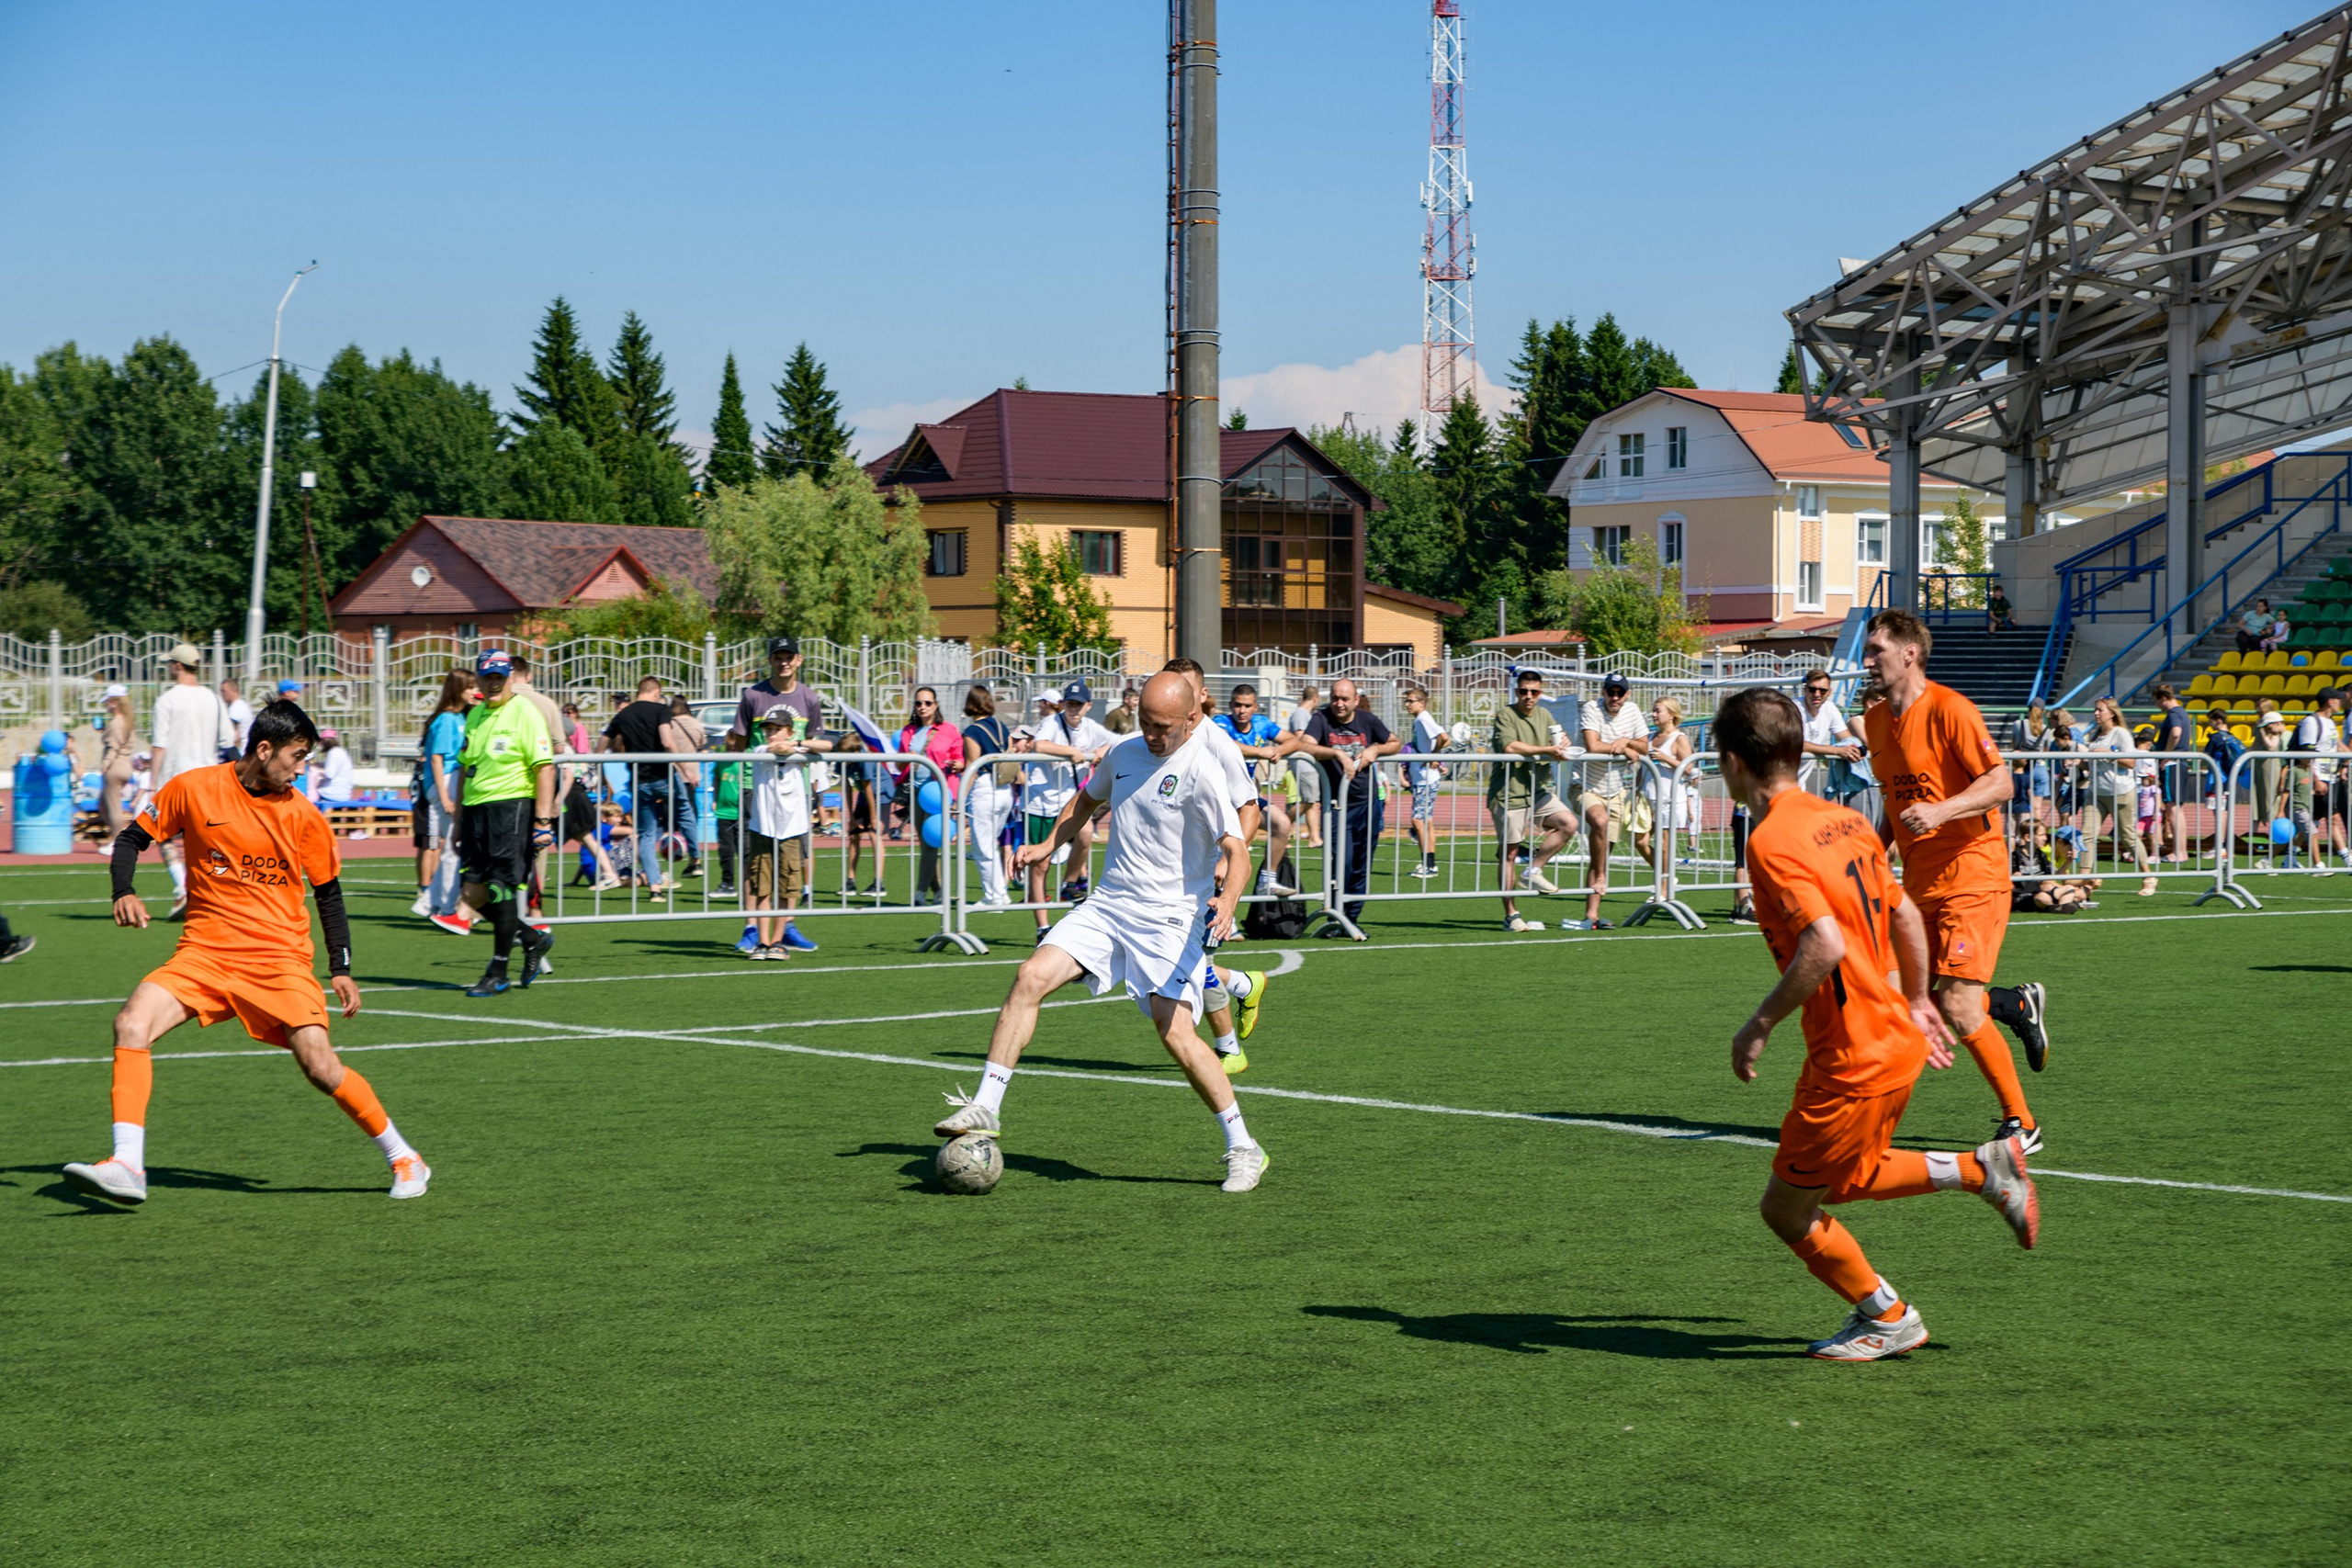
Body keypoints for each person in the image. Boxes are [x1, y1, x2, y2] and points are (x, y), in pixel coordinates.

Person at [1715, 685, 2037, 1360]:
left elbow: (1824, 945)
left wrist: (1759, 1023)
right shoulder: (1848, 819)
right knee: (1844, 1176)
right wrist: (1918, 1001)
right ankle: (1986, 1169)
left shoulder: (1771, 839)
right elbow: (1906, 915)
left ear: (1735, 761)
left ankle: (1888, 1316)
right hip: (1896, 1037)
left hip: (1852, 1055)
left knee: (1787, 1208)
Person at [62, 698, 431, 1207]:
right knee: (131, 1024)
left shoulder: (304, 815)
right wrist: (122, 890)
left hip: (279, 961)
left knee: (321, 1067)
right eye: (298, 756)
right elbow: (130, 839)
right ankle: (127, 1163)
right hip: (205, 954)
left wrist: (341, 968)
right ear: (264, 749)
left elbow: (328, 893)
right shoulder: (193, 788)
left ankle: (405, 1156)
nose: (303, 769)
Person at [929, 671, 1270, 1192]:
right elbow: (1086, 803)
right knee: (1030, 977)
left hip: (1169, 917)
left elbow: (1237, 848)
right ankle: (986, 1107)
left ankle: (1243, 1146)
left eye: (1162, 727)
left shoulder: (1203, 769)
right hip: (1110, 905)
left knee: (1174, 1033)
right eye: (1144, 723)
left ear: (1188, 720)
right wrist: (1049, 847)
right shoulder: (1124, 754)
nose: (1152, 735)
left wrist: (1227, 898)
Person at [1858, 610, 2052, 1151]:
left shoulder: (1951, 709)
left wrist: (1943, 811)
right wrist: (1873, 857)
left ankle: (2023, 1123)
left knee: (1959, 1006)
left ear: (1909, 653)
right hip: (1917, 883)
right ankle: (2013, 1006)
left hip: (1974, 871)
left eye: (1876, 649)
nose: (1867, 659)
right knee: (1907, 1001)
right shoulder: (1875, 722)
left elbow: (2001, 783)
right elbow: (1897, 804)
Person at [456, 649, 558, 998]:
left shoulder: (525, 713)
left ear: (511, 677)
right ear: (479, 679)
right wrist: (457, 821)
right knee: (471, 894)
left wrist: (543, 822)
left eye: (500, 676)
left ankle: (498, 971)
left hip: (511, 808)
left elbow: (544, 767)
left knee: (501, 890)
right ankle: (532, 938)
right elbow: (464, 768)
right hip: (475, 811)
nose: (494, 682)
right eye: (488, 677)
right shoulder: (475, 716)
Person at [1294, 677, 1398, 936]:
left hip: (1368, 802)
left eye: (1344, 699)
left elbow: (1395, 742)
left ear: (1355, 700)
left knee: (1362, 863)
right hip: (1336, 805)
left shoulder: (1367, 720)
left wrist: (1376, 749)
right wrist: (1337, 753)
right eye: (1335, 698)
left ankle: (1350, 918)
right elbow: (1304, 744)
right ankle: (1335, 913)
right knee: (1344, 862)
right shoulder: (1321, 719)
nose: (1339, 704)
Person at [1024, 681, 1119, 936]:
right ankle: (1042, 927)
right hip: (1039, 801)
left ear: (1088, 706)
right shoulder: (1052, 722)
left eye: (1079, 704)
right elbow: (1039, 745)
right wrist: (1070, 752)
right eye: (1070, 703)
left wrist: (1102, 749)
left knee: (1086, 833)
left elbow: (1120, 741)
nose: (1074, 708)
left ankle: (1070, 882)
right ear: (1063, 704)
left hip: (1068, 800)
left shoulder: (1090, 727)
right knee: (1040, 865)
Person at [148, 643, 233, 919]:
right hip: (208, 778)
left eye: (169, 664)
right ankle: (215, 894)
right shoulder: (214, 699)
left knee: (162, 835)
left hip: (176, 779)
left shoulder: (167, 700)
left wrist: (152, 785)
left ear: (177, 666)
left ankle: (183, 886)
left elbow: (159, 745)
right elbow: (228, 741)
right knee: (205, 840)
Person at [1488, 669, 1574, 933]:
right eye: (1524, 691)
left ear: (1541, 692)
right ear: (1516, 691)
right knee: (1510, 853)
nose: (1529, 696)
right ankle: (1511, 914)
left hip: (1537, 791)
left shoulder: (1545, 715)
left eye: (1534, 692)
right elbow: (1510, 747)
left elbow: (1557, 743)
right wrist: (1548, 750)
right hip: (1509, 792)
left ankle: (1533, 871)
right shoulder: (1506, 714)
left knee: (1568, 823)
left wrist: (1562, 747)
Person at [1571, 672, 1651, 931]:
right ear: (1603, 692)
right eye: (1610, 692)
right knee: (1600, 821)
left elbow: (1645, 747)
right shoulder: (1592, 708)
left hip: (1616, 790)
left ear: (1627, 694)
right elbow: (1593, 745)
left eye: (1619, 693)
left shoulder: (1632, 710)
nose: (1614, 697)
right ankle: (1602, 876)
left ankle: (1592, 915)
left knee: (1604, 852)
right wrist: (1627, 750)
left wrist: (1626, 741)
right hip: (1584, 784)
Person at [742, 705, 819, 958]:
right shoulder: (759, 750)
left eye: (777, 729)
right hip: (762, 827)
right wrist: (790, 747)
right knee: (762, 886)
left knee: (787, 887)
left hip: (792, 829)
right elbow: (774, 749)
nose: (771, 734)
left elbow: (827, 746)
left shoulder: (799, 749)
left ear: (789, 730)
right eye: (768, 730)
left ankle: (777, 941)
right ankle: (762, 942)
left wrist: (796, 744)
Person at [605, 677, 686, 897]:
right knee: (684, 808)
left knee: (646, 835)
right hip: (663, 778)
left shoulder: (623, 715)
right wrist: (684, 767)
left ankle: (655, 888)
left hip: (639, 782)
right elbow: (668, 742)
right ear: (657, 691)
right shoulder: (661, 710)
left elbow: (602, 744)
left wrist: (591, 760)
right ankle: (695, 859)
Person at [1216, 683, 1295, 896]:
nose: (1242, 710)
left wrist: (1279, 750)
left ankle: (1266, 881)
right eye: (1238, 705)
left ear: (1255, 707)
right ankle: (1225, 921)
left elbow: (1293, 740)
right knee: (1221, 856)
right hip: (1220, 799)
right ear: (1231, 705)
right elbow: (1225, 743)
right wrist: (1260, 752)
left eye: (1247, 706)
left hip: (1247, 799)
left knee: (1282, 823)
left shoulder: (1262, 724)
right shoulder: (1220, 723)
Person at [415, 671, 477, 930]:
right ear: (457, 689)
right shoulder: (447, 720)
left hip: (451, 781)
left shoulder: (460, 717)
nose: (475, 691)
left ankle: (429, 902)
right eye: (470, 687)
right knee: (453, 846)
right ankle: (447, 906)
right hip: (447, 782)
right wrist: (444, 796)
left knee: (455, 846)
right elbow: (437, 759)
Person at [894, 686, 964, 905]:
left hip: (937, 793)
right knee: (926, 844)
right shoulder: (908, 731)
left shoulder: (948, 730)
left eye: (927, 703)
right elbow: (898, 763)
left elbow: (961, 759)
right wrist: (908, 758)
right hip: (915, 791)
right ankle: (939, 892)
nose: (923, 707)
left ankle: (920, 893)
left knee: (931, 843)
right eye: (918, 703)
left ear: (935, 705)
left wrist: (957, 764)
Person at [2082, 698, 2154, 895]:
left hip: (2121, 792)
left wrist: (2108, 753)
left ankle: (2148, 876)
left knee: (2128, 836)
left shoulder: (2121, 734)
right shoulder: (2096, 736)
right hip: (2096, 792)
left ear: (2111, 713)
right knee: (2087, 835)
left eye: (2100, 710)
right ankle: (2084, 881)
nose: (2096, 713)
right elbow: (2091, 764)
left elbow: (2131, 762)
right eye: (2095, 710)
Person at [961, 685, 1017, 908]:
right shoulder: (1003, 727)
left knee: (982, 848)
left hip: (985, 789)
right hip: (1005, 789)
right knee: (990, 844)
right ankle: (1000, 893)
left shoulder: (972, 732)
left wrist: (959, 799)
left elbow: (972, 767)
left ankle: (993, 897)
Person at [1635, 695, 1694, 874]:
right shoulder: (1651, 736)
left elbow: (1688, 768)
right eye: (1653, 710)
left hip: (1669, 798)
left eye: (1657, 711)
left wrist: (1666, 758)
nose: (1653, 714)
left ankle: (1664, 885)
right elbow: (1643, 767)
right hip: (1648, 798)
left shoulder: (1679, 738)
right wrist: (1637, 789)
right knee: (1640, 841)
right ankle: (1665, 877)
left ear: (1671, 715)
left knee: (1664, 845)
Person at [2291, 687, 2348, 871]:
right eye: (2338, 699)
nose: (2342, 702)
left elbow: (2337, 746)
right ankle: (2347, 858)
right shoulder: (2311, 722)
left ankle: (2288, 855)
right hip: (2319, 779)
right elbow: (2307, 753)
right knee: (2332, 818)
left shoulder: (2330, 722)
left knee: (2313, 821)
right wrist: (2315, 779)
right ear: (2330, 701)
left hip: (2330, 777)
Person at [1399, 683, 1449, 879]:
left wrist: (1433, 755)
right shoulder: (1421, 719)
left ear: (1421, 703)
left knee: (1418, 820)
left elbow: (1444, 738)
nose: (1407, 705)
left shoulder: (1423, 719)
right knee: (1426, 821)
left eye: (1410, 701)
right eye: (1406, 701)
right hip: (1424, 778)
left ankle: (1427, 865)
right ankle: (1430, 864)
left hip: (1425, 779)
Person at [1796, 670, 1863, 798]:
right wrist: (1837, 751)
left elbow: (1847, 738)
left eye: (1822, 691)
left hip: (1798, 782)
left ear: (1829, 692)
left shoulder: (1830, 708)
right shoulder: (1794, 708)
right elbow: (1796, 744)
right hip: (1773, 781)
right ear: (1805, 690)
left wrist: (1857, 749)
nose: (1817, 694)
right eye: (1812, 689)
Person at [2148, 683, 2194, 862]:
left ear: (2163, 698)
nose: (2157, 706)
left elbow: (2176, 733)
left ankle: (2178, 852)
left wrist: (2166, 755)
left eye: (2157, 701)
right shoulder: (2182, 712)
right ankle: (2181, 850)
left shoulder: (2174, 714)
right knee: (2178, 810)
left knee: (2172, 808)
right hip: (2180, 763)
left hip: (2173, 764)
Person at [96, 683, 139, 849]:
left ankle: (117, 842)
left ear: (114, 702)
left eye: (107, 701)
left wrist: (105, 765)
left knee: (113, 807)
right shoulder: (127, 722)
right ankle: (118, 838)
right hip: (125, 766)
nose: (106, 704)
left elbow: (113, 747)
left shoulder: (116, 723)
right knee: (104, 805)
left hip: (115, 767)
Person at [1286, 684, 1324, 847]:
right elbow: (1301, 738)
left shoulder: (1304, 714)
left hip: (1309, 764)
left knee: (1313, 802)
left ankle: (1314, 838)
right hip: (1304, 764)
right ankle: (1281, 825)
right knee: (1308, 801)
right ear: (1315, 699)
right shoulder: (1301, 714)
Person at [2253, 709, 2290, 863]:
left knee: (2272, 804)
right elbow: (2254, 749)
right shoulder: (2264, 736)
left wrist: (2262, 731)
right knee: (2259, 802)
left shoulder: (2275, 736)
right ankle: (2254, 839)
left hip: (2272, 772)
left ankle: (2278, 842)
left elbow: (2271, 747)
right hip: (2261, 772)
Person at [311, 728, 356, 807]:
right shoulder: (340, 751)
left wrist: (318, 774)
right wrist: (320, 764)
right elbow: (334, 766)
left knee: (311, 793)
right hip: (345, 793)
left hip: (332, 793)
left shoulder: (333, 753)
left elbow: (329, 774)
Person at [220, 677, 254, 757]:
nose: (221, 694)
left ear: (233, 691)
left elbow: (235, 736)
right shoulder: (243, 705)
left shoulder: (235, 708)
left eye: (224, 691)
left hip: (239, 753)